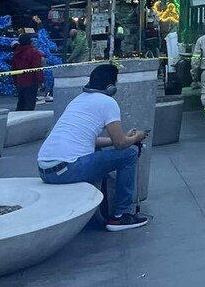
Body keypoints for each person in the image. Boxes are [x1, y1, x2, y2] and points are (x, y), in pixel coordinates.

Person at [37, 64, 149, 231]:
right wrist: (137, 137)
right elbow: (120, 145)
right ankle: (121, 216)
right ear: (111, 86)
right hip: (67, 169)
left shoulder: (78, 100)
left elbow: (93, 141)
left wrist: (124, 138)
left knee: (97, 152)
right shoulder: (108, 102)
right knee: (129, 156)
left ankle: (96, 207)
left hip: (45, 170)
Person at [11, 33, 45, 112]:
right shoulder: (34, 53)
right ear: (30, 41)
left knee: (21, 102)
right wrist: (41, 80)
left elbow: (14, 68)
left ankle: (17, 118)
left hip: (20, 81)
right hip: (31, 81)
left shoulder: (16, 53)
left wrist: (15, 80)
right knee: (29, 103)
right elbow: (37, 68)